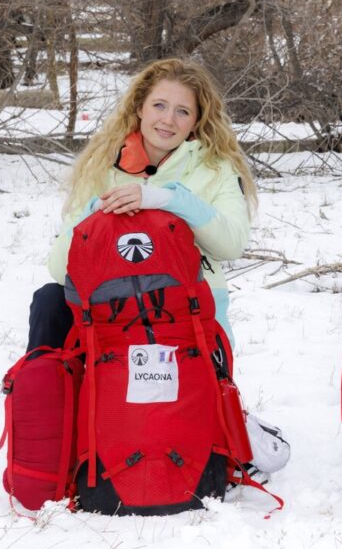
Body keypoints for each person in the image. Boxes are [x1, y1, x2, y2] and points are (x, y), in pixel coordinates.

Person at [28, 57, 257, 352]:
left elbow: (232, 245)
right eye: (159, 105)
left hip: (186, 312)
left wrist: (169, 200)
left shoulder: (216, 169)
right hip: (110, 311)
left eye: (183, 111)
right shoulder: (103, 168)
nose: (168, 120)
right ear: (140, 108)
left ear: (196, 122)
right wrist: (97, 213)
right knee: (50, 300)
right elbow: (60, 270)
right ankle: (43, 392)